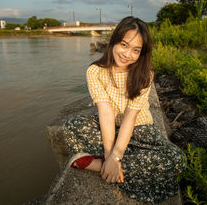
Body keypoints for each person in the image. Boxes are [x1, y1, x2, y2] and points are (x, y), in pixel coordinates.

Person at [63, 16, 186, 203]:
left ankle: (97, 166)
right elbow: (105, 111)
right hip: (109, 126)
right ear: (114, 41)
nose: (127, 54)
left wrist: (117, 158)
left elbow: (130, 116)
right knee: (72, 126)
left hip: (139, 127)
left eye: (135, 50)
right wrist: (109, 155)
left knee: (177, 159)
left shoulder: (145, 74)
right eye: (123, 45)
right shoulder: (95, 71)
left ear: (142, 53)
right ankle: (112, 164)